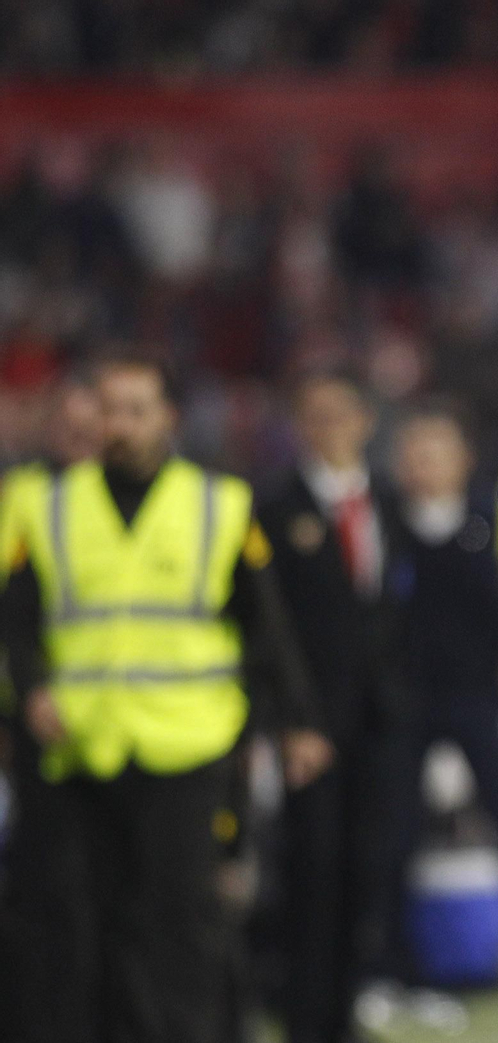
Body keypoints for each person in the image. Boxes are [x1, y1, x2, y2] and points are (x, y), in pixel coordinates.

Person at [0, 355, 332, 1043]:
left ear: (169, 418)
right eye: (108, 409)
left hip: (188, 742)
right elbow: (19, 620)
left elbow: (265, 625)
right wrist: (31, 692)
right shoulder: (46, 504)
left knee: (181, 926)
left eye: (136, 410)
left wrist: (297, 720)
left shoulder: (219, 504)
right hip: (81, 746)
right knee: (80, 930)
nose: (119, 425)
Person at [258, 371, 409, 1043]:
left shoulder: (389, 503)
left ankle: (344, 1017)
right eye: (315, 415)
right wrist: (290, 720)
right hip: (310, 726)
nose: (330, 428)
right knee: (310, 874)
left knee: (365, 870)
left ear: (366, 420)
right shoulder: (274, 508)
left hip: (381, 723)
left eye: (341, 414)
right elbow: (269, 627)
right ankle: (305, 1023)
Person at [385, 407, 498, 969]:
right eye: (414, 452)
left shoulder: (492, 522)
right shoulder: (385, 525)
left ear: (463, 458)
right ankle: (393, 956)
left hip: (478, 695)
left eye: (436, 451)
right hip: (406, 702)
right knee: (395, 830)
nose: (423, 464)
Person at [0, 374, 104, 1043]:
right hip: (35, 717)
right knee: (42, 887)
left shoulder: (149, 500)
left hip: (126, 720)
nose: (79, 432)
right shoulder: (24, 496)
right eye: (66, 419)